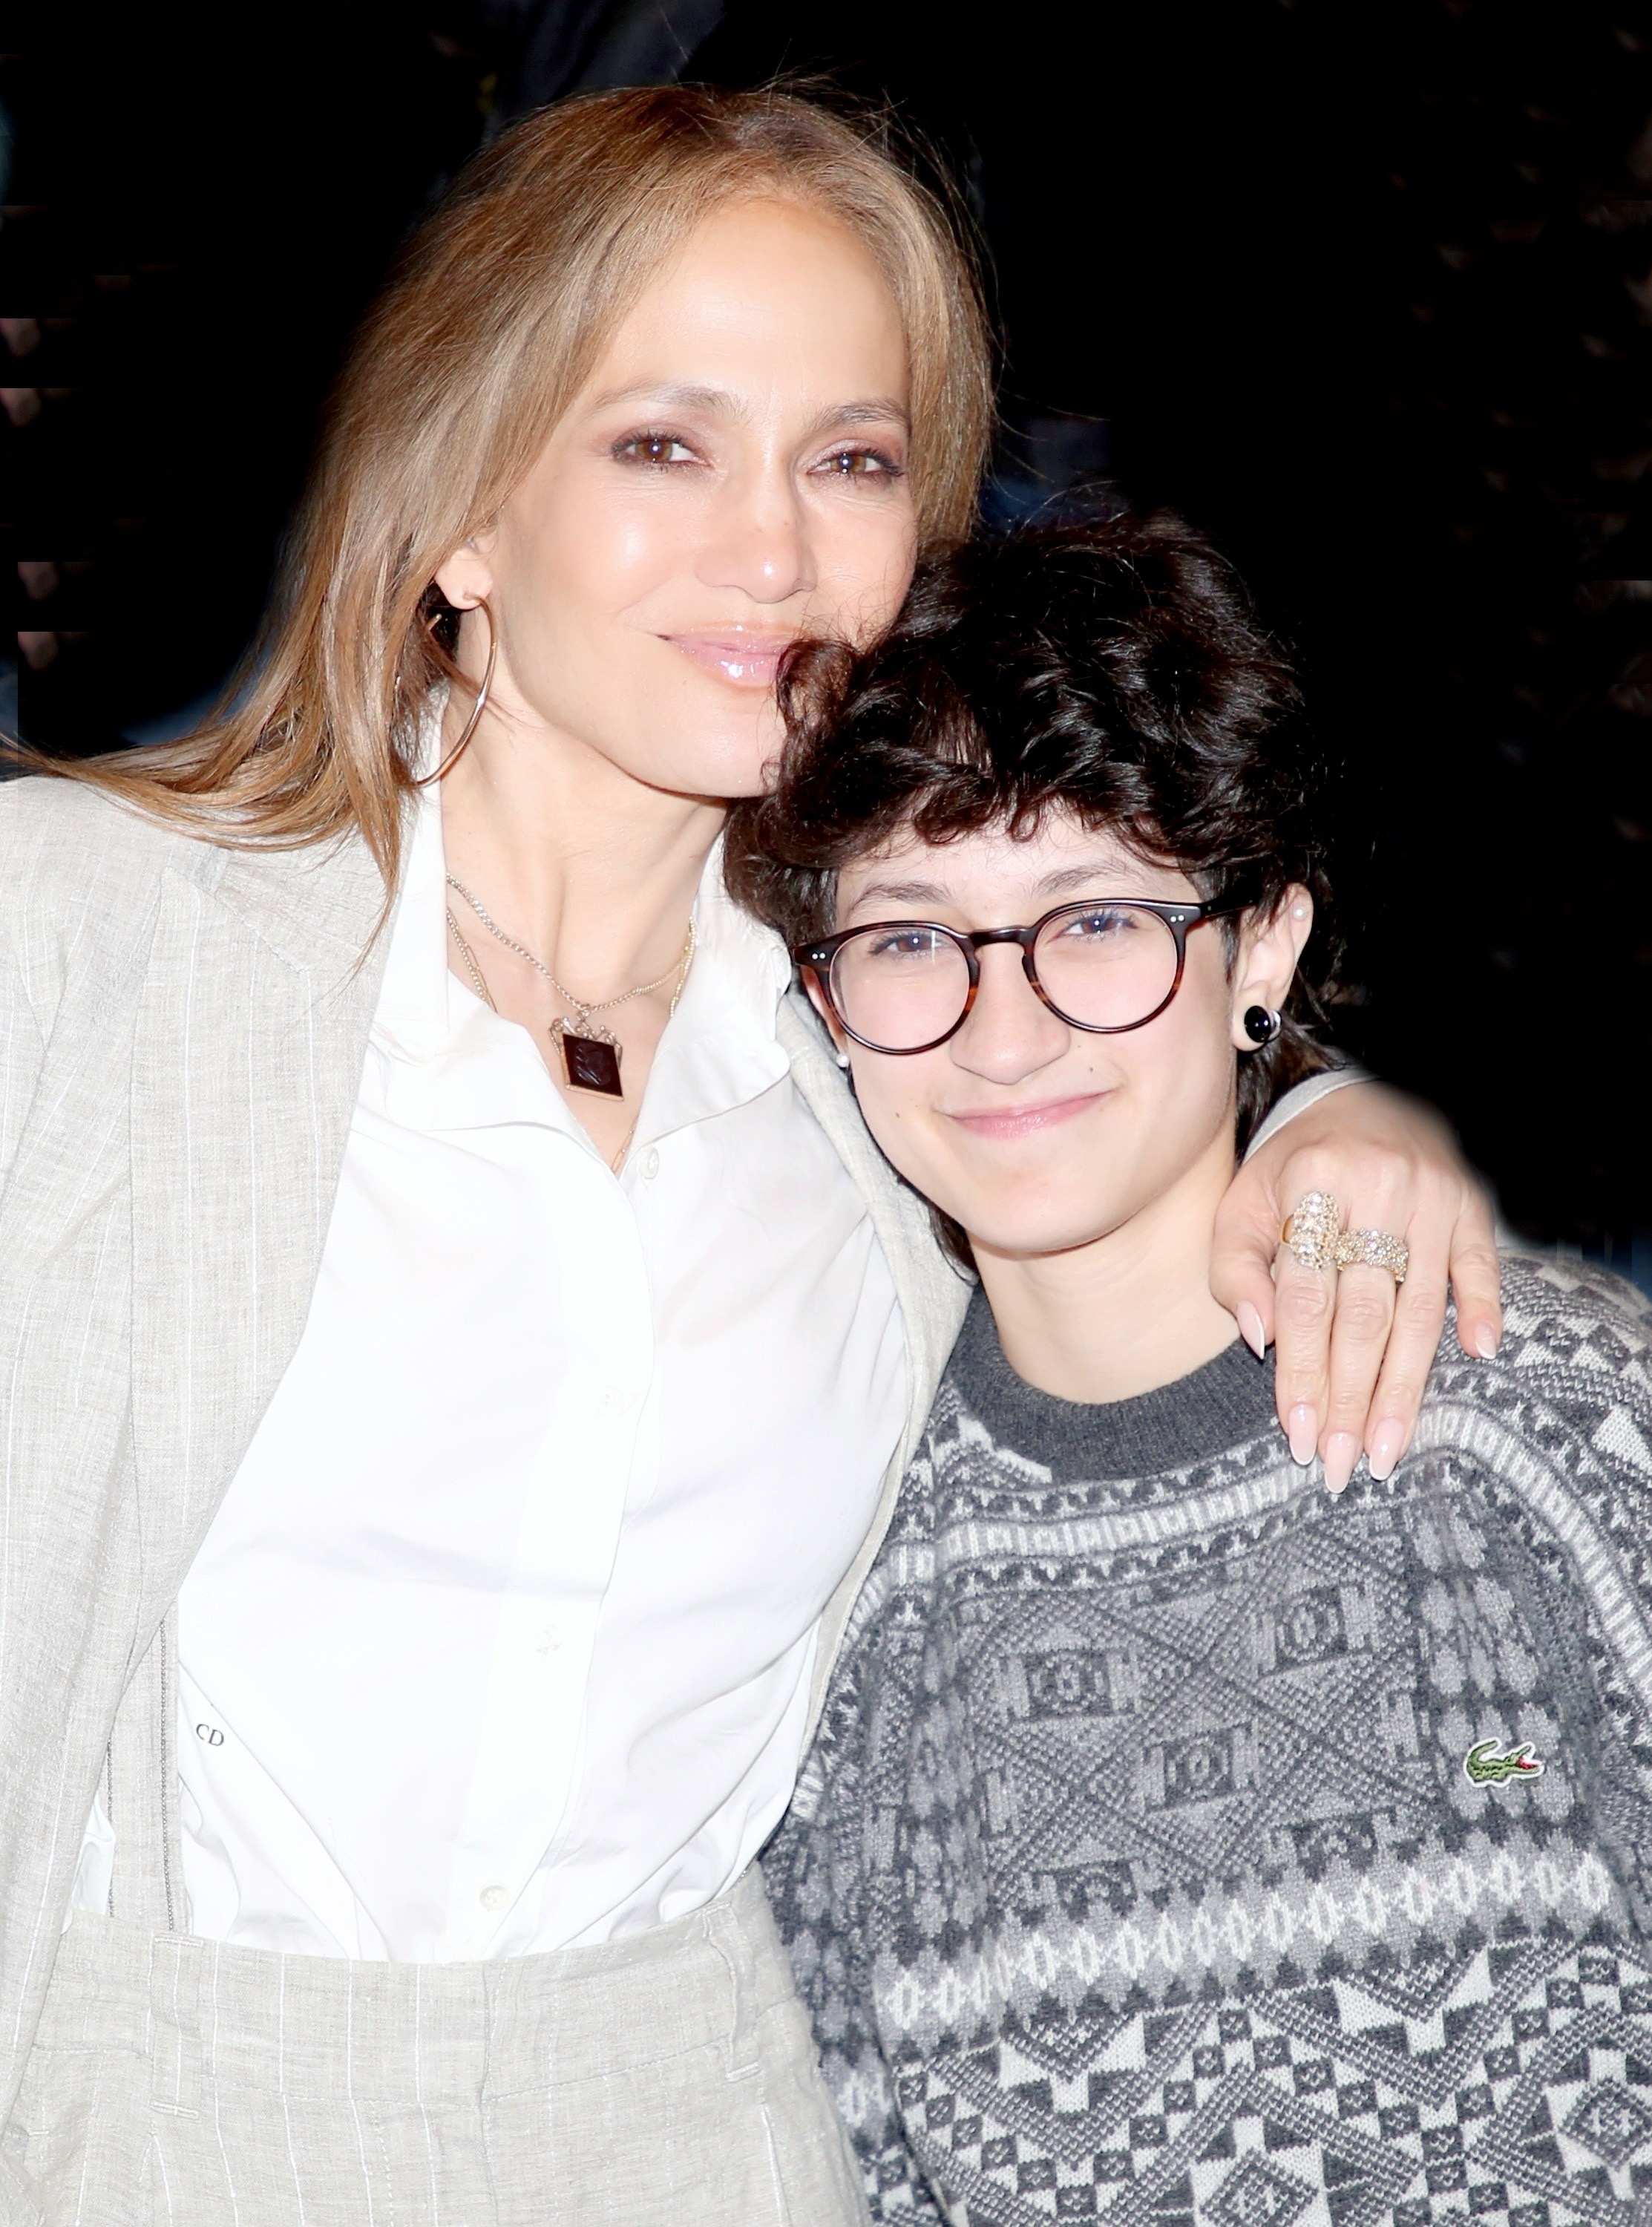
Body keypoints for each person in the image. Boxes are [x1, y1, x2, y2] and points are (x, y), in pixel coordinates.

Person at [0, 87, 1494, 2226]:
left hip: (702, 2137)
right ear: (464, 510)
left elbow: (1140, 1082)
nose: (777, 553)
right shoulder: (75, 945)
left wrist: (1330, 1111)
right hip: (133, 2126)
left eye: (854, 460)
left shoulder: (887, 1066)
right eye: (660, 444)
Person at [742, 517, 1652, 2227]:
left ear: (1264, 950)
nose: (1002, 1033)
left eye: (1095, 922)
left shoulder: (1555, 1425)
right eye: (914, 938)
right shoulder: (837, 1580)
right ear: (830, 1000)